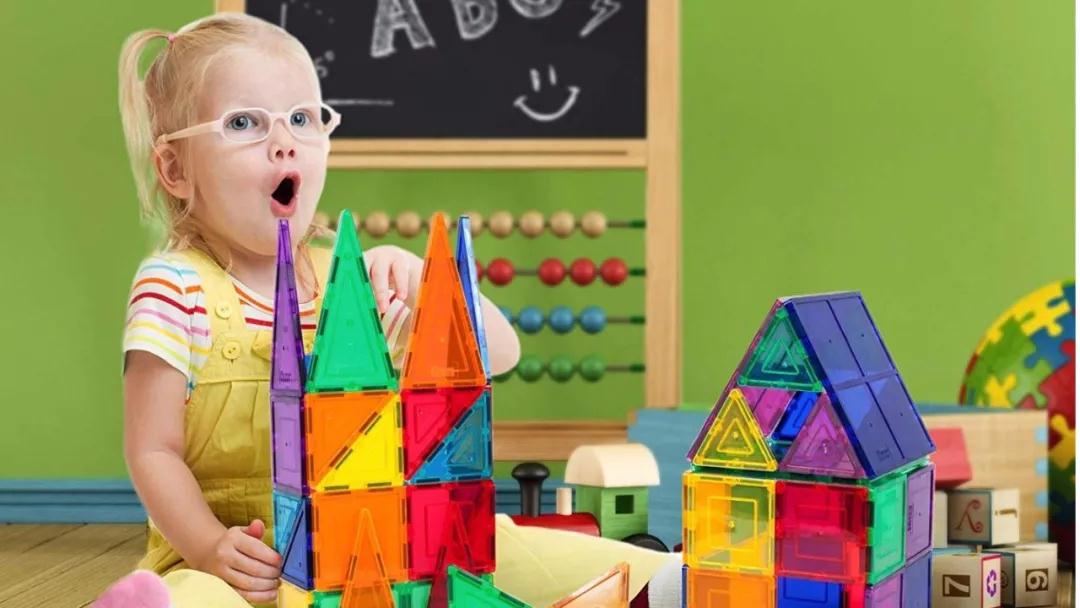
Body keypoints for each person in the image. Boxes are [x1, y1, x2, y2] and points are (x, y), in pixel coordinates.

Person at [108, 12, 676, 608]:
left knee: (497, 546)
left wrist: (429, 284)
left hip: (382, 550)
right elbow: (153, 449)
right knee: (196, 597)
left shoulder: (352, 285)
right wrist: (207, 546)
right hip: (247, 567)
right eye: (244, 123)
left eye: (302, 118)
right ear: (175, 169)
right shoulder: (176, 287)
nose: (284, 141)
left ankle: (664, 582)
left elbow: (502, 353)